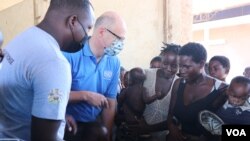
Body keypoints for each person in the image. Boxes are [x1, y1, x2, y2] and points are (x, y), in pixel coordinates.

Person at [0, 0, 95, 141]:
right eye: (87, 28)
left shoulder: (26, 36)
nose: (86, 36)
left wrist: (56, 115)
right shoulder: (55, 63)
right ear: (73, 21)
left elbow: (27, 96)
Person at [62, 11, 127, 141]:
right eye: (118, 38)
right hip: (67, 123)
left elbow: (110, 101)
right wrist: (85, 96)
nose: (121, 44)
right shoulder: (70, 55)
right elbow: (51, 95)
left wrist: (107, 133)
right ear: (102, 32)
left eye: (123, 40)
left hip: (94, 126)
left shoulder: (114, 62)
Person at [166, 42, 228, 141]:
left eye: (186, 66)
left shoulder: (222, 90)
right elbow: (171, 115)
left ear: (201, 64)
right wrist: (172, 128)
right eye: (180, 66)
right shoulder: (178, 83)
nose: (181, 71)